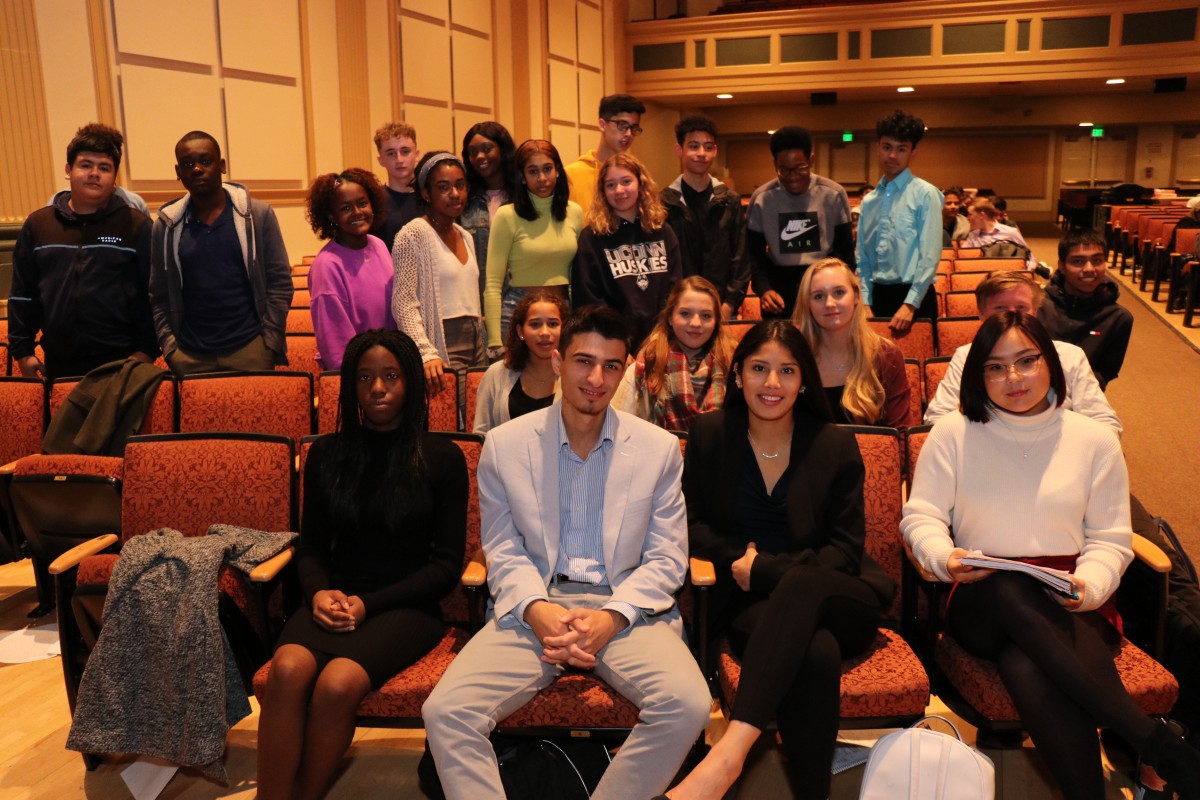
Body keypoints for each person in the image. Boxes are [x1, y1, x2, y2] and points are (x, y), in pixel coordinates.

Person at [902, 312, 1200, 800]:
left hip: (1071, 599)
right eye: (995, 367)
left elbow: (1109, 536)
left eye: (1026, 361)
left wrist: (1093, 585)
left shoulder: (1093, 438)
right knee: (1008, 583)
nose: (1013, 378)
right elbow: (921, 517)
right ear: (978, 374)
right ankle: (1157, 743)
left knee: (1026, 664)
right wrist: (945, 557)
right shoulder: (954, 433)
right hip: (981, 595)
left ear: (1051, 362)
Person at [422, 306, 711, 800]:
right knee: (446, 712)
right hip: (534, 606)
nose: (596, 379)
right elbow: (503, 549)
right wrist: (538, 612)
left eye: (611, 366)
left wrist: (611, 619)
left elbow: (666, 559)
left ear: (624, 371)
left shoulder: (658, 449)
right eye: (583, 361)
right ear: (557, 362)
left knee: (687, 704)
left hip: (627, 610)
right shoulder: (505, 446)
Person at [665, 320, 894, 800]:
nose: (772, 384)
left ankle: (728, 756)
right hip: (754, 605)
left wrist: (765, 570)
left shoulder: (833, 442)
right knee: (816, 652)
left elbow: (845, 548)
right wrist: (739, 560)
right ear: (739, 376)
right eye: (759, 369)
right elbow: (691, 526)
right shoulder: (710, 434)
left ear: (804, 379)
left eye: (787, 370)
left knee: (804, 586)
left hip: (838, 592)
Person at [257, 329, 467, 800]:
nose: (377, 388)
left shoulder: (442, 458)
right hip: (334, 598)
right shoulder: (327, 455)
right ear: (350, 385)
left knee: (337, 683)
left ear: (410, 381)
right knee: (287, 669)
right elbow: (310, 546)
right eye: (365, 377)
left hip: (405, 606)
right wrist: (318, 593)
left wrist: (367, 605)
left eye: (391, 376)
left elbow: (446, 567)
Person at [10, 122, 157, 380]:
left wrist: (146, 351)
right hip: (56, 368)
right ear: (69, 170)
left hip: (123, 369)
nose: (94, 174)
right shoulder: (39, 225)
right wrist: (23, 352)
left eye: (104, 168)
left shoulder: (137, 226)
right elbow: (23, 295)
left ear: (114, 179)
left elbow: (154, 296)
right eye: (86, 165)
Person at [150, 131, 292, 377]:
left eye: (205, 161)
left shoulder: (258, 215)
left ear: (222, 165)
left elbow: (279, 284)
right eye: (188, 164)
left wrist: (269, 343)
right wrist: (170, 349)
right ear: (178, 172)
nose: (197, 169)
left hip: (251, 351)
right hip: (189, 356)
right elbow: (158, 293)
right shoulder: (166, 225)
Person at [923, 271, 1121, 436]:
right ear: (981, 315)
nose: (1012, 316)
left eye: (1021, 308)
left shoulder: (1069, 355)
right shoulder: (966, 356)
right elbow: (937, 419)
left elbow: (1104, 422)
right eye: (1000, 309)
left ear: (1035, 311)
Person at [391, 151, 485, 393]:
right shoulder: (412, 235)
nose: (455, 194)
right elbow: (403, 303)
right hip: (441, 340)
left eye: (460, 185)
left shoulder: (465, 235)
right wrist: (425, 352)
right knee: (455, 419)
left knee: (476, 415)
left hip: (476, 339)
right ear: (425, 193)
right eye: (443, 187)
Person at [571, 153, 683, 351]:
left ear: (640, 184)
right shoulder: (592, 237)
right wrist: (617, 342)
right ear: (603, 191)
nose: (619, 190)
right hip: (611, 343)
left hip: (660, 341)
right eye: (611, 185)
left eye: (626, 181)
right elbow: (588, 298)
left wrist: (661, 336)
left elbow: (675, 290)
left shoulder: (663, 231)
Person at [744, 126, 855, 319]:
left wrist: (834, 291)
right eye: (784, 170)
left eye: (800, 168)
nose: (793, 177)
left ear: (811, 160)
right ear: (775, 165)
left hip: (823, 288)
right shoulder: (762, 198)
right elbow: (754, 256)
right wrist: (764, 290)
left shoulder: (832, 194)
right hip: (779, 292)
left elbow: (845, 254)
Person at [483, 139, 583, 355]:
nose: (543, 178)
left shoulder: (574, 212)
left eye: (547, 169)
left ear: (558, 171)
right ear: (522, 177)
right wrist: (493, 342)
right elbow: (492, 283)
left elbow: (580, 274)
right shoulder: (507, 215)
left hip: (563, 311)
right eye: (533, 171)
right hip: (517, 311)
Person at [792, 258, 911, 427]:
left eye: (839, 292)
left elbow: (901, 436)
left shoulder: (887, 355)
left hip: (871, 453)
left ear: (856, 296)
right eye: (818, 296)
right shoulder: (793, 356)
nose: (830, 303)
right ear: (808, 304)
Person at [855, 110, 942, 332]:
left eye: (901, 149)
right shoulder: (869, 201)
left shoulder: (926, 194)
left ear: (913, 152)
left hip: (915, 298)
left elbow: (929, 256)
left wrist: (910, 304)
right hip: (876, 299)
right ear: (877, 147)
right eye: (887, 147)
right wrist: (865, 301)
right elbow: (862, 258)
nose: (892, 155)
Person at [613, 276, 736, 432]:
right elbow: (617, 426)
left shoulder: (733, 366)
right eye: (685, 313)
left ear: (716, 321)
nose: (696, 323)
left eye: (706, 316)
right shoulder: (646, 366)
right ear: (670, 317)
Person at [304, 168, 396, 370]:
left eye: (362, 203)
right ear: (331, 215)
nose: (357, 212)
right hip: (358, 374)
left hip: (392, 364)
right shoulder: (326, 266)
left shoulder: (378, 244)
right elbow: (335, 346)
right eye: (346, 208)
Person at [661, 115, 748, 319]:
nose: (701, 153)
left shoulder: (730, 200)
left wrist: (729, 305)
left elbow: (741, 258)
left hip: (721, 309)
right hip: (678, 311)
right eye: (694, 146)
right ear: (679, 150)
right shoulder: (663, 203)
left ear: (715, 151)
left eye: (708, 147)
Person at [1038, 230, 1133, 389]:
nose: (1089, 269)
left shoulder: (1119, 317)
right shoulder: (1038, 306)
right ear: (1062, 266)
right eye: (1078, 261)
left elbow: (1105, 372)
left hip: (1083, 394)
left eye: (1097, 260)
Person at [472, 289, 567, 435]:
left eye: (553, 324)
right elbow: (481, 434)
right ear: (521, 331)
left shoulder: (575, 376)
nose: (545, 333)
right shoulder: (496, 374)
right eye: (535, 324)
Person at [459, 121, 517, 309]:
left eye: (487, 149)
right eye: (473, 152)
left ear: (502, 149)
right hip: (478, 304)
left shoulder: (524, 197)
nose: (480, 156)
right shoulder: (464, 202)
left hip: (520, 302)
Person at [565, 93, 646, 216]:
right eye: (622, 126)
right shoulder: (572, 175)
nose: (629, 134)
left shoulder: (635, 174)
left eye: (634, 128)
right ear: (602, 125)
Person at [371, 122, 421, 249]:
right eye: (391, 153)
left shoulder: (431, 198)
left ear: (416, 154)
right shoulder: (373, 203)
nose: (399, 160)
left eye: (405, 151)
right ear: (381, 160)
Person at [962, 197, 1036, 269]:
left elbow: (1031, 258)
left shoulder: (1010, 232)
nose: (967, 218)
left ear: (982, 215)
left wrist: (1024, 273)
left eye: (970, 214)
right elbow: (962, 260)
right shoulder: (973, 235)